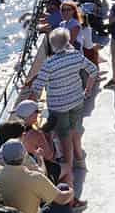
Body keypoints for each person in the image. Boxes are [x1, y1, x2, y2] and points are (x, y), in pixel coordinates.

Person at [27, 28, 97, 175]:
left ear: (52, 45)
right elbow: (93, 71)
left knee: (64, 136)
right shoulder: (76, 56)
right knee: (75, 130)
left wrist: (27, 110)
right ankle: (80, 160)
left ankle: (68, 169)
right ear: (67, 42)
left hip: (58, 107)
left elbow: (37, 89)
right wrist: (87, 90)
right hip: (77, 100)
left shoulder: (48, 64)